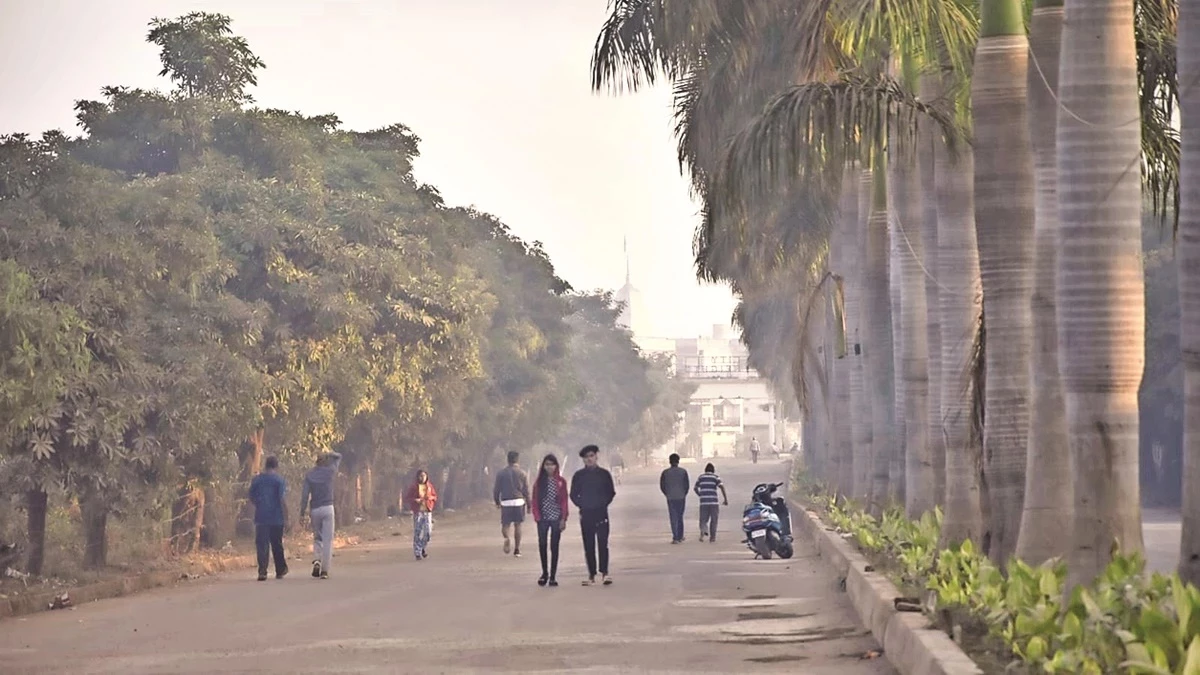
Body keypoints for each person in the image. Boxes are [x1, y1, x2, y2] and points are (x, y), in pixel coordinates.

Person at [570, 444, 616, 586]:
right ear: (583, 460)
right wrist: (582, 504)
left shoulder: (604, 474)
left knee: (603, 543)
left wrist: (602, 503)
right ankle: (591, 575)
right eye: (586, 457)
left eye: (591, 456)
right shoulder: (579, 476)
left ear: (596, 456)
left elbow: (611, 492)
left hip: (601, 513)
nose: (589, 459)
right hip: (586, 514)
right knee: (588, 545)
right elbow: (573, 494)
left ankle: (605, 572)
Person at [299, 451, 341, 579]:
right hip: (328, 508)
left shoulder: (310, 475)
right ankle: (324, 571)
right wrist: (329, 454)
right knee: (328, 540)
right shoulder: (330, 472)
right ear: (326, 461)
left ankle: (317, 559)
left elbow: (305, 495)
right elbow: (338, 456)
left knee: (318, 537)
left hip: (315, 509)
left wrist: (302, 512)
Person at [248, 455, 289, 581]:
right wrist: (286, 516)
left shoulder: (257, 480)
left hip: (261, 517)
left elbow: (251, 496)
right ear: (276, 466)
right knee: (277, 543)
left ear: (265, 466)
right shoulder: (279, 480)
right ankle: (280, 570)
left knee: (262, 544)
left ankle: (262, 571)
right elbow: (281, 499)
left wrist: (259, 504)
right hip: (276, 517)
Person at [531, 453, 569, 587]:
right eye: (547, 464)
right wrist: (537, 516)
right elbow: (534, 501)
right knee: (542, 545)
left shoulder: (561, 482)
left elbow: (564, 500)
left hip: (556, 518)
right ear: (543, 466)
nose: (550, 467)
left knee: (554, 546)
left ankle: (553, 575)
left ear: (556, 466)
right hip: (543, 518)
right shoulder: (538, 483)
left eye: (552, 464)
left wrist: (564, 518)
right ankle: (544, 573)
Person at [494, 450, 531, 557]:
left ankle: (506, 538)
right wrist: (529, 505)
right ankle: (517, 549)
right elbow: (526, 490)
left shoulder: (501, 473)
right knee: (518, 525)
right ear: (517, 460)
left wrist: (497, 501)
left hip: (506, 501)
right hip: (519, 501)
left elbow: (496, 489)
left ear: (508, 460)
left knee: (505, 524)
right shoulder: (522, 473)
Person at [406, 469, 438, 560]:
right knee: (418, 532)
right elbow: (408, 498)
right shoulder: (414, 487)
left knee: (428, 532)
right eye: (421, 476)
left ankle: (422, 547)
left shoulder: (429, 486)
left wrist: (430, 497)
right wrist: (415, 500)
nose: (422, 478)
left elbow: (435, 496)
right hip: (418, 512)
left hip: (427, 511)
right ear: (417, 477)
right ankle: (417, 552)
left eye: (424, 476)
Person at [693, 462, 729, 543]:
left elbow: (695, 488)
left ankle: (703, 532)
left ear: (705, 470)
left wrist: (700, 495)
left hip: (703, 502)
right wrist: (725, 499)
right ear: (713, 470)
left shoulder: (701, 477)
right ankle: (712, 538)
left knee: (703, 520)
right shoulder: (715, 477)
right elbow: (722, 487)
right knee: (714, 520)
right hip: (714, 502)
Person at [660, 453, 690, 544]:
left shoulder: (665, 473)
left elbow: (662, 486)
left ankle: (675, 537)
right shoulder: (683, 472)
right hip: (681, 497)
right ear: (678, 461)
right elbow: (687, 485)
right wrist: (683, 494)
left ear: (670, 461)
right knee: (680, 516)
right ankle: (680, 536)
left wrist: (667, 494)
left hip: (670, 497)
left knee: (673, 517)